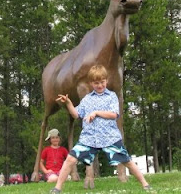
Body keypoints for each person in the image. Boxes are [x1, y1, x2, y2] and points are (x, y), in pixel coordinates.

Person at [50, 65, 151, 193]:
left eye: (102, 82)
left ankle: (145, 184)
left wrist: (96, 112)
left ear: (106, 81)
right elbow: (76, 114)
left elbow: (114, 114)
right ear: (91, 83)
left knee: (127, 161)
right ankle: (57, 188)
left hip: (110, 137)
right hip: (89, 139)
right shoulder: (87, 99)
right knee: (70, 159)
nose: (100, 85)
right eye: (96, 83)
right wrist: (68, 102)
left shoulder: (111, 96)